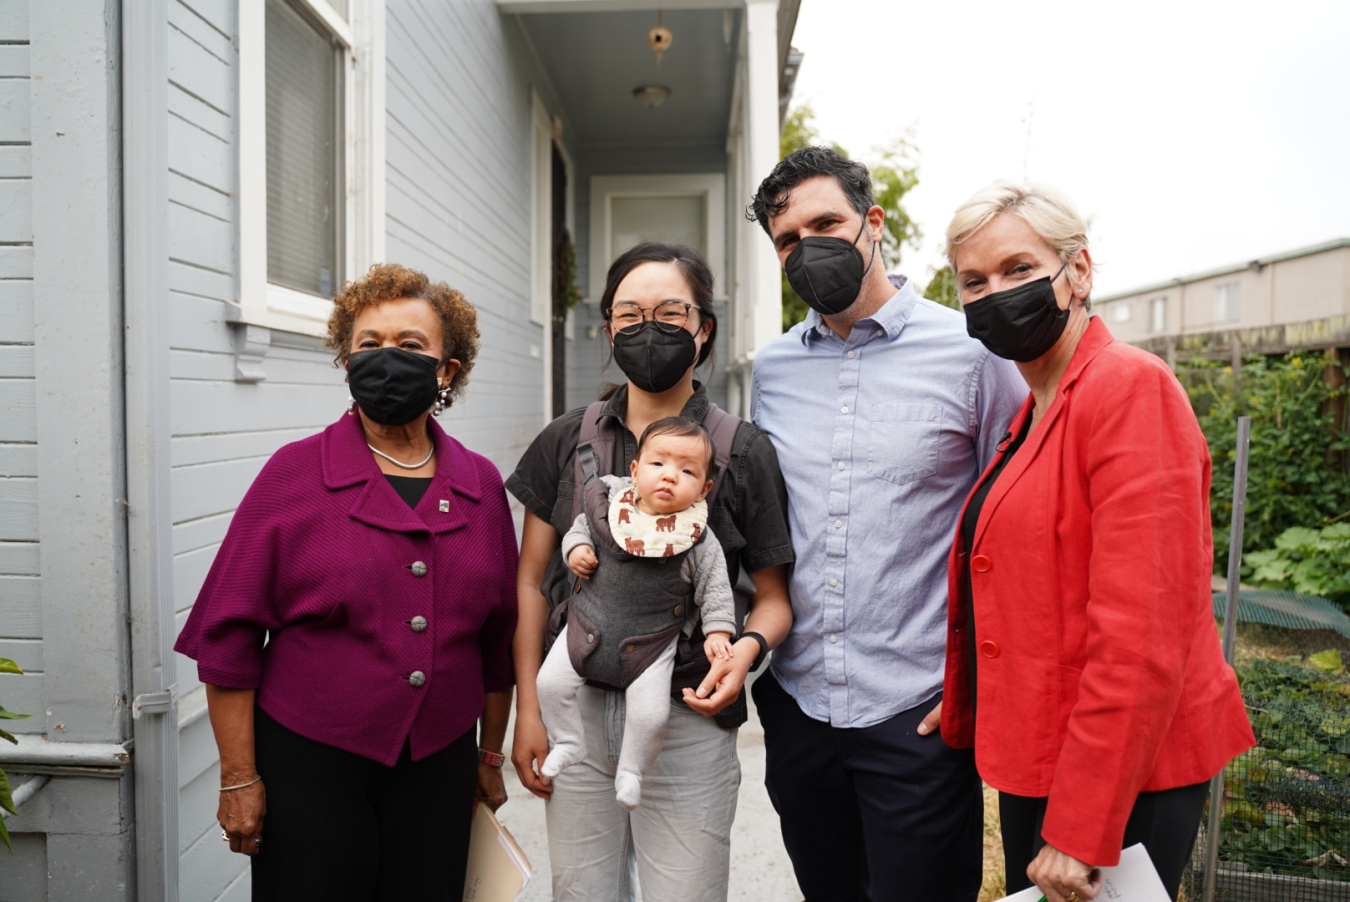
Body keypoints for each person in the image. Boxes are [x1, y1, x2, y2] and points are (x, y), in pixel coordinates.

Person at [938, 182, 1255, 902]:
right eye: (974, 282)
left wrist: (1082, 825)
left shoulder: (1129, 390)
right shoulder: (1036, 409)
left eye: (1020, 269)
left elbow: (1141, 634)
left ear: (1078, 272)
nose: (996, 294)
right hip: (1048, 750)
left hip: (1126, 771)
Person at [174, 263, 518, 901]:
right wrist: (239, 778)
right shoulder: (294, 475)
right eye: (368, 344)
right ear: (345, 359)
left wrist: (489, 756)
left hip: (439, 763)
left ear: (448, 370)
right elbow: (228, 642)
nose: (387, 359)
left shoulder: (482, 485)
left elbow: (498, 647)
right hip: (310, 761)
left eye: (410, 346)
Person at [746, 146, 1026, 902]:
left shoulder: (973, 351)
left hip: (917, 713)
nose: (808, 248)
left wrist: (979, 679)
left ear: (872, 223)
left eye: (825, 222)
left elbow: (1011, 522)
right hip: (800, 705)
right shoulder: (769, 371)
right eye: (787, 240)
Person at [507, 241, 795, 902]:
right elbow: (529, 581)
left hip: (687, 721)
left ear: (704, 328)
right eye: (629, 315)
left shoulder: (741, 450)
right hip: (574, 712)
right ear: (608, 328)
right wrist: (529, 709)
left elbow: (774, 599)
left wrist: (745, 649)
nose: (647, 329)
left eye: (670, 312)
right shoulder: (567, 440)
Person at [538, 416, 736, 810]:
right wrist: (575, 550)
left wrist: (718, 632)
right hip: (585, 627)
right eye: (658, 463)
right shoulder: (609, 508)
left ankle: (632, 771)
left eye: (687, 471)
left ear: (705, 488)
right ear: (634, 470)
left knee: (651, 715)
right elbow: (577, 530)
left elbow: (716, 587)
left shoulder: (697, 537)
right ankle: (569, 741)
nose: (669, 477)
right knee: (550, 684)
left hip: (651, 646)